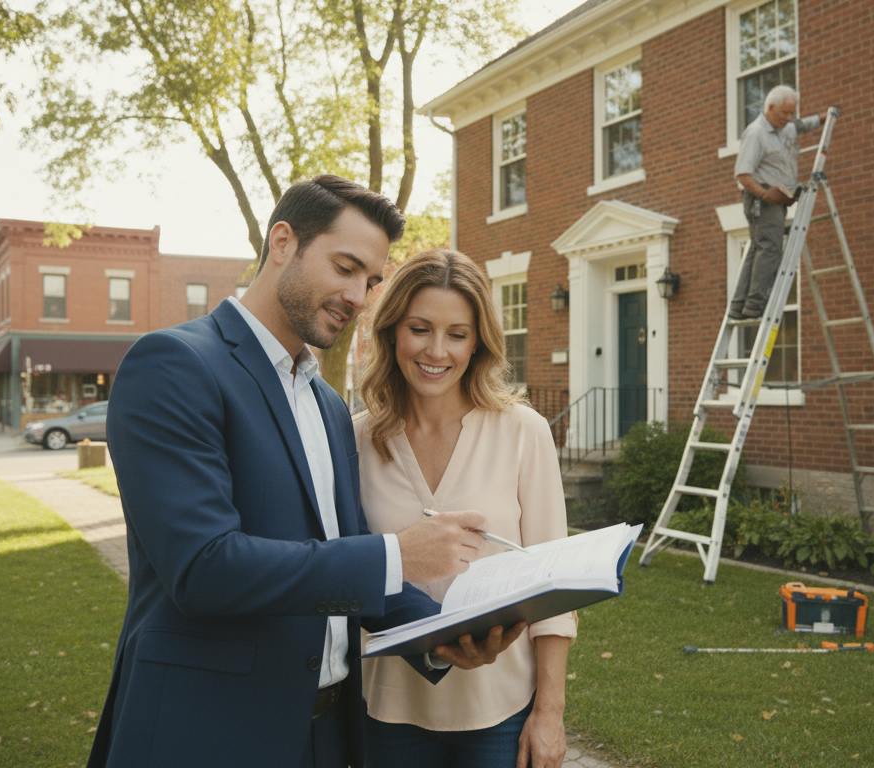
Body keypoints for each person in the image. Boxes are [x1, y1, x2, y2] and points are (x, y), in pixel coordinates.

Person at [88, 176, 525, 768]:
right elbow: (203, 568)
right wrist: (399, 554)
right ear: (283, 242)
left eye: (370, 280)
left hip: (325, 737)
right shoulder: (174, 365)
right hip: (208, 730)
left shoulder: (325, 403)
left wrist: (448, 634)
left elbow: (339, 558)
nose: (359, 296)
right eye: (345, 267)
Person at [353, 249, 576, 768]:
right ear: (392, 332)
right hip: (387, 710)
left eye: (457, 333)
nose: (437, 350)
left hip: (499, 714)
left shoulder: (524, 433)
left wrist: (550, 713)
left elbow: (555, 590)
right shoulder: (355, 440)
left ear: (478, 342)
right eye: (420, 328)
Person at [731, 84, 826, 320]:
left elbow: (802, 125)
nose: (788, 117)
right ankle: (757, 304)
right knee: (770, 248)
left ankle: (740, 305)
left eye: (791, 112)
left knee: (758, 248)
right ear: (769, 107)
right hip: (762, 198)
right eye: (784, 112)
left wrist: (825, 117)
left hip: (777, 198)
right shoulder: (756, 134)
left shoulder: (786, 128)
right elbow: (743, 174)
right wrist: (765, 195)